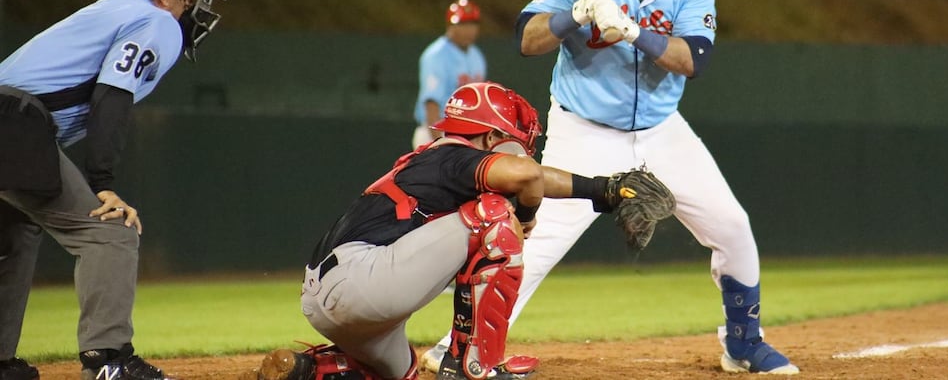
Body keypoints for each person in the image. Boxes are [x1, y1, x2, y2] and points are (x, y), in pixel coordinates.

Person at [422, 0, 799, 375]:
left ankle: (744, 345)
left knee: (733, 227)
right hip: (585, 130)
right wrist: (576, 14)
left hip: (662, 129)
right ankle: (460, 343)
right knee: (536, 242)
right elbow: (527, 39)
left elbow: (695, 60)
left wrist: (635, 32)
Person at [255, 81, 662, 380]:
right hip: (363, 282)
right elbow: (527, 175)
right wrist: (524, 216)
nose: (521, 150)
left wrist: (600, 189)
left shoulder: (440, 160)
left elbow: (533, 174)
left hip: (331, 298)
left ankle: (309, 370)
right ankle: (474, 366)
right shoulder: (456, 156)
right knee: (494, 217)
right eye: (512, 140)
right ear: (491, 136)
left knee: (398, 373)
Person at [0, 0, 228, 380]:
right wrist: (102, 181)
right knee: (109, 233)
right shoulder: (157, 21)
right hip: (13, 124)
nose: (191, 10)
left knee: (17, 231)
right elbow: (113, 93)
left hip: (10, 121)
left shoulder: (110, 9)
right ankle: (108, 360)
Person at [412, 0, 487, 150]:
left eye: (472, 24)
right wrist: (440, 143)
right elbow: (431, 104)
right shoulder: (436, 55)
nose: (468, 30)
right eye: (461, 24)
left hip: (465, 135)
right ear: (450, 26)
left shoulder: (477, 56)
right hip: (435, 132)